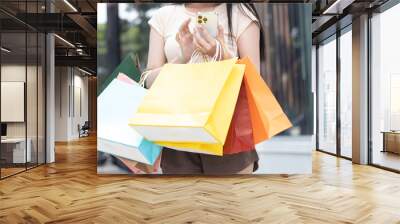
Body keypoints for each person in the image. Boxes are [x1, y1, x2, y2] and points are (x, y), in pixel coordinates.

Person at [144, 3, 265, 174]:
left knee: (231, 201)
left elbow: (253, 82)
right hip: (177, 134)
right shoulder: (164, 16)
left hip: (229, 135)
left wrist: (220, 55)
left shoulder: (241, 13)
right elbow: (149, 81)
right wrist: (183, 59)